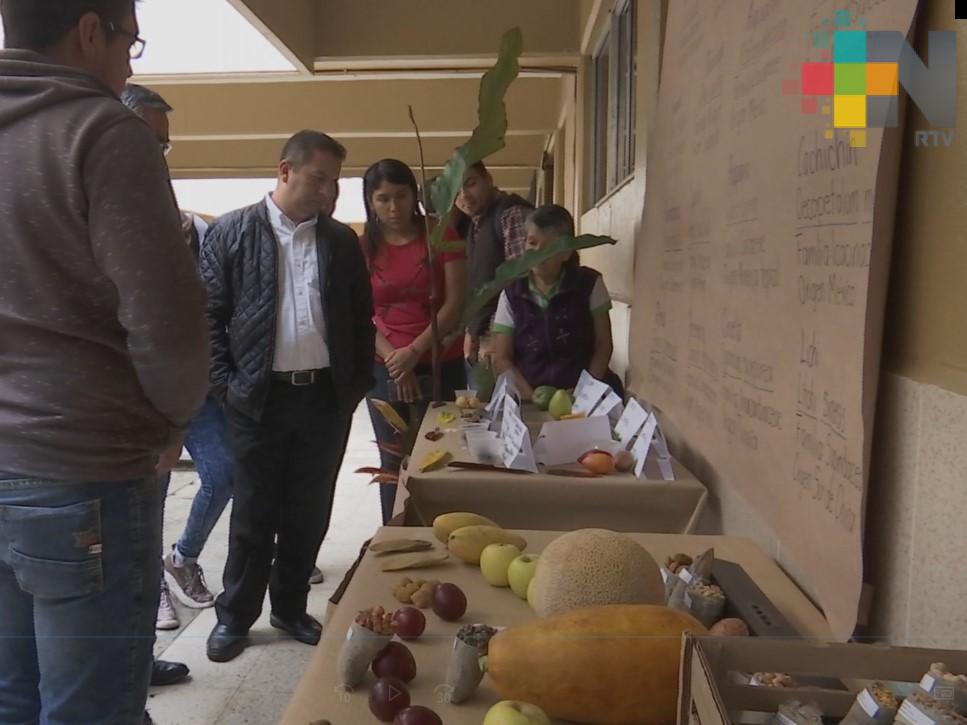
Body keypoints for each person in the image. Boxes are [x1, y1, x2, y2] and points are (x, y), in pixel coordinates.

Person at [0, 3, 209, 723]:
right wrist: (173, 416)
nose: (128, 65)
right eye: (129, 42)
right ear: (90, 30)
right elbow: (167, 321)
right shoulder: (103, 130)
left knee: (14, 697)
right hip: (85, 467)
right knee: (91, 709)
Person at [201, 131, 375, 663]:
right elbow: (206, 317)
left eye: (333, 182)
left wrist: (352, 387)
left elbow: (359, 319)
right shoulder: (231, 232)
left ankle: (291, 607)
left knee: (309, 509)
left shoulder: (341, 241)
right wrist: (227, 386)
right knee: (254, 512)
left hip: (323, 398)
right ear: (285, 170)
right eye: (319, 178)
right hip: (257, 399)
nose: (328, 191)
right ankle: (235, 617)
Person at [120, 84, 232, 626]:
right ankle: (152, 595)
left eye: (165, 146)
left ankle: (180, 559)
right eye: (153, 141)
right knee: (151, 496)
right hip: (137, 394)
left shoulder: (183, 217)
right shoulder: (99, 203)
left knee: (226, 469)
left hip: (192, 382)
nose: (160, 155)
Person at [361, 159, 468, 523]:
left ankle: (445, 533)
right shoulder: (364, 246)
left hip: (442, 362)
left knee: (442, 452)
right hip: (384, 366)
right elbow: (360, 312)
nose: (394, 208)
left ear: (414, 196)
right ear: (370, 202)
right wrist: (396, 359)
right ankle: (396, 533)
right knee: (393, 456)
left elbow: (455, 302)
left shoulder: (440, 234)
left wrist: (415, 351)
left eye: (402, 196)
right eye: (383, 199)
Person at [492, 205, 622, 400]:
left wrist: (584, 393)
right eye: (532, 243)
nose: (537, 252)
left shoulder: (590, 284)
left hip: (584, 397)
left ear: (566, 252)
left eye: (549, 247)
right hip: (530, 396)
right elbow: (502, 357)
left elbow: (604, 345)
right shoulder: (511, 293)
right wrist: (531, 398)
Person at [458, 161, 533, 370]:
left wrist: (497, 336)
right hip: (485, 339)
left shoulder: (511, 214)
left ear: (488, 180)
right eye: (457, 191)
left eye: (470, 184)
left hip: (508, 340)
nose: (464, 195)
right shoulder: (477, 223)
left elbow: (521, 282)